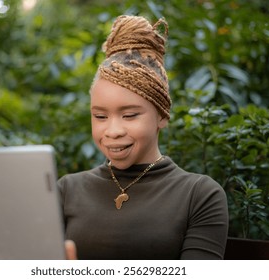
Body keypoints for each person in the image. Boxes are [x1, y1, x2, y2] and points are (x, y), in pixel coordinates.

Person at [57, 15, 228, 260]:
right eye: (100, 116)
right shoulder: (66, 190)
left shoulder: (198, 195)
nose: (112, 131)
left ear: (161, 116)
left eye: (129, 115)